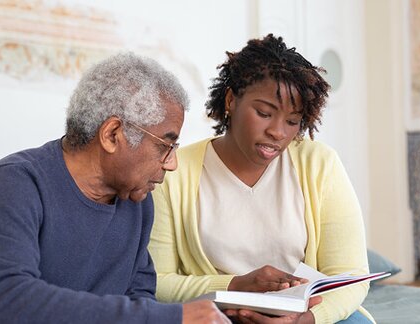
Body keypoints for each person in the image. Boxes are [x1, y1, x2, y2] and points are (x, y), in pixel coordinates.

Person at [0, 52, 232, 324]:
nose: (171, 164)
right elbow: (4, 305)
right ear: (112, 134)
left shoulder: (137, 202)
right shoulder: (16, 183)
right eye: (165, 145)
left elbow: (140, 300)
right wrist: (171, 318)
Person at [148, 34, 372, 324]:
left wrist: (304, 320)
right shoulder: (175, 170)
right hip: (217, 317)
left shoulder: (320, 165)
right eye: (264, 113)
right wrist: (235, 285)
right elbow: (157, 282)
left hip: (306, 317)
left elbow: (352, 276)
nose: (278, 132)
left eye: (293, 121)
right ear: (231, 100)